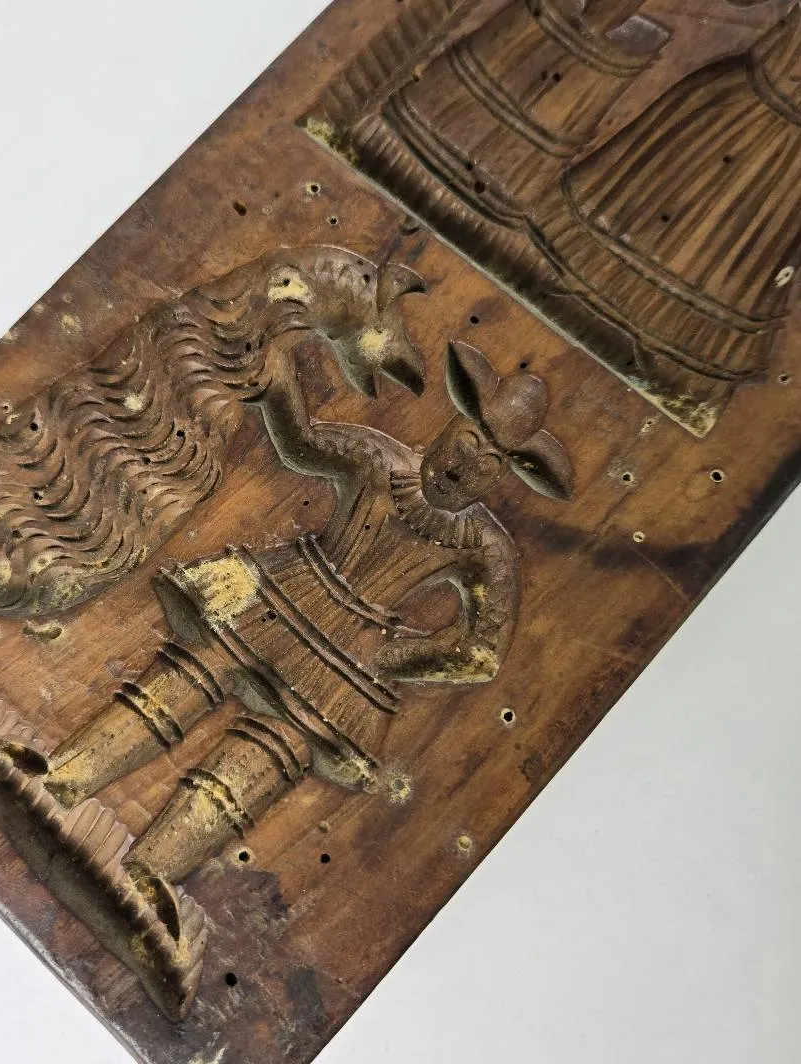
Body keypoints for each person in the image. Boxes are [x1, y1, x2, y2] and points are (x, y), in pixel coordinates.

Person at [38, 341, 574, 907]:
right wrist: (277, 382)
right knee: (197, 669)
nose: (462, 469)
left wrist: (388, 656)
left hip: (351, 657)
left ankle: (150, 875)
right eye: (464, 446)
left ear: (503, 478)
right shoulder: (379, 458)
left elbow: (480, 653)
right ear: (448, 428)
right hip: (287, 586)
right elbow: (303, 443)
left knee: (283, 742)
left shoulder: (486, 547)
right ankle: (61, 777)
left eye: (487, 466)